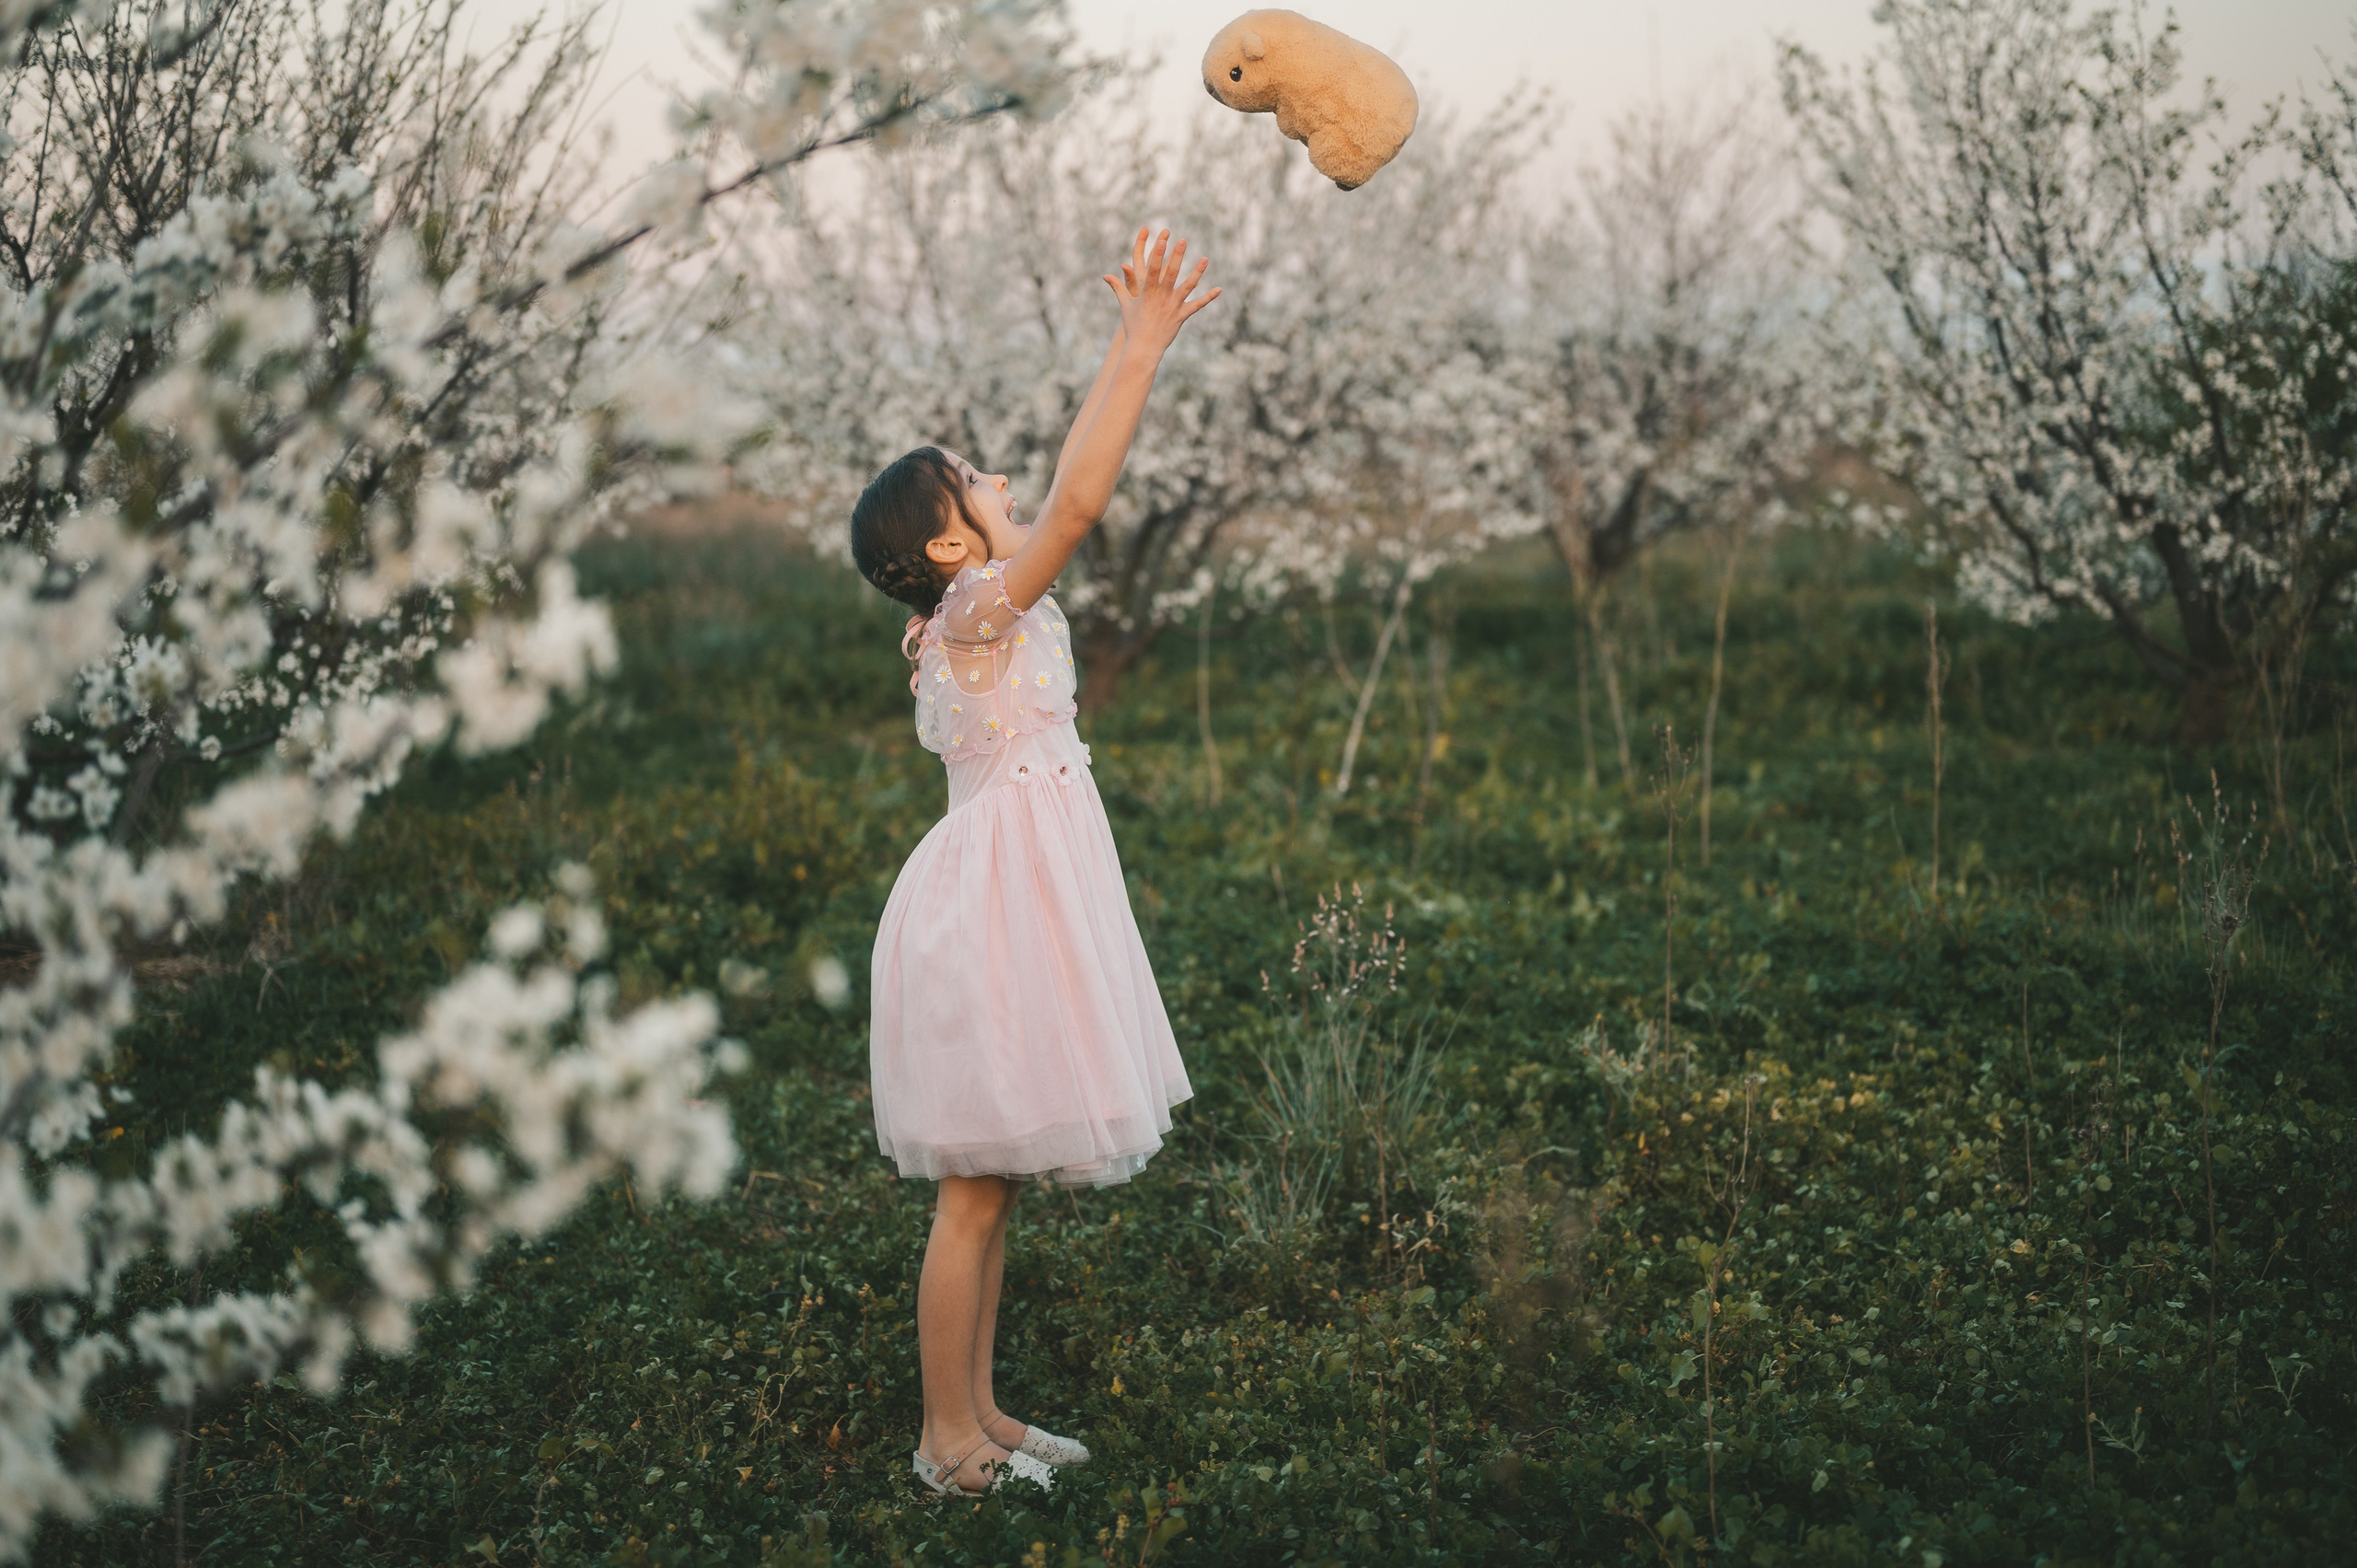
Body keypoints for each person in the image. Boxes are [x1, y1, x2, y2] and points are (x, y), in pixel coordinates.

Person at [848, 228, 1220, 1497]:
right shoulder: (973, 614)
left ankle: (982, 1415)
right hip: (990, 916)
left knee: (991, 1185)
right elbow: (1077, 499)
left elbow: (1052, 507)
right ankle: (943, 1447)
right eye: (973, 480)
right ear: (951, 549)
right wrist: (1140, 345)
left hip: (1015, 901)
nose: (1000, 478)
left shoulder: (975, 609)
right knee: (969, 1191)